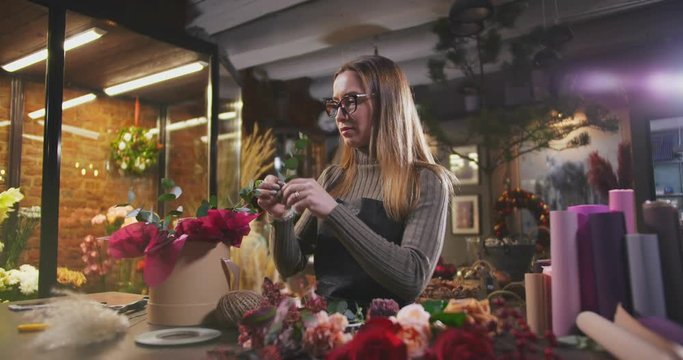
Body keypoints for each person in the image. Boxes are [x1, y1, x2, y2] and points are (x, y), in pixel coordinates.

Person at [256, 55, 456, 308]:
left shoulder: (426, 181)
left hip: (387, 334)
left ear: (388, 103)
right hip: (330, 327)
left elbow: (412, 278)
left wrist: (334, 211)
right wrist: (281, 218)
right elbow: (290, 267)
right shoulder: (333, 177)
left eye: (350, 102)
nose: (338, 116)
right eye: (334, 104)